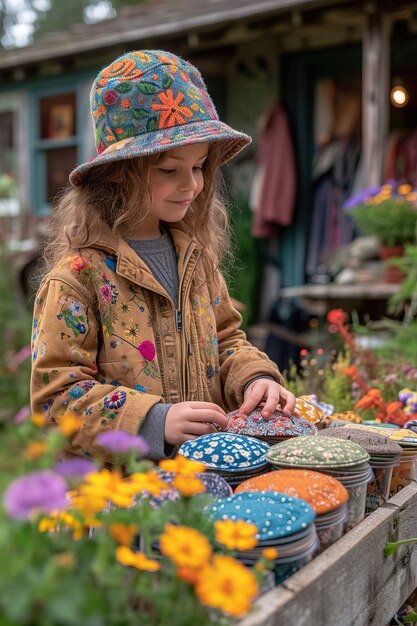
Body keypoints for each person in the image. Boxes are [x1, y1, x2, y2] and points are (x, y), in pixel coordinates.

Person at [30, 50, 295, 461]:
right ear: (118, 173)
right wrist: (152, 421)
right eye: (169, 170)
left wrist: (254, 377)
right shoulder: (78, 279)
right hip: (123, 504)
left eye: (200, 166)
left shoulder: (196, 260)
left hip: (206, 484)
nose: (191, 184)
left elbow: (225, 340)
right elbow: (55, 401)